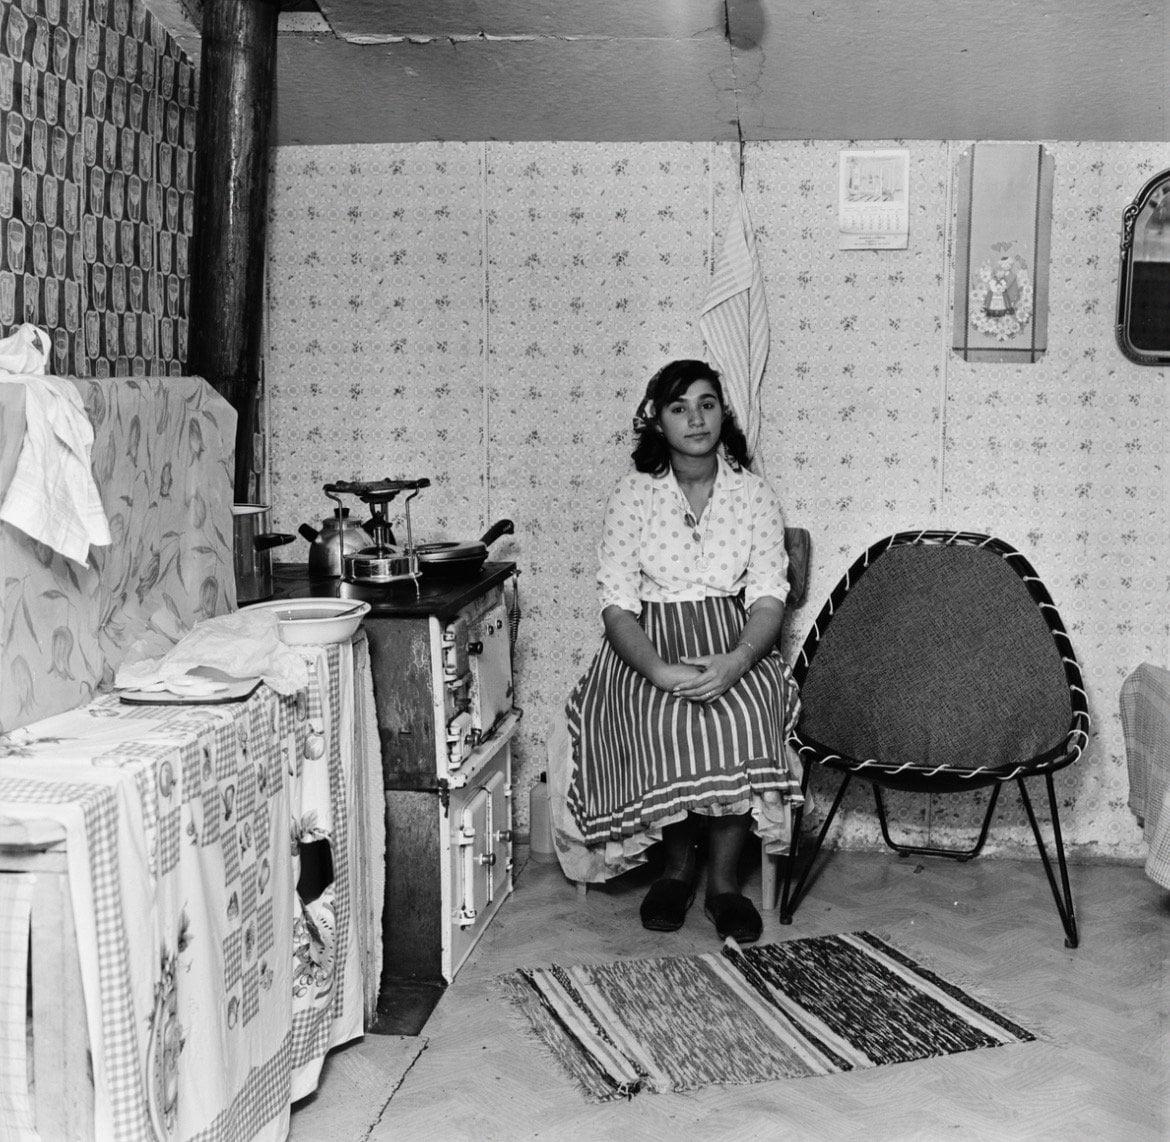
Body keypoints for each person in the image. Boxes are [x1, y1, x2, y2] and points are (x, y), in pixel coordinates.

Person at [566, 358, 801, 944]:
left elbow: (770, 596)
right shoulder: (633, 496)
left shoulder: (754, 496)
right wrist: (659, 670)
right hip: (650, 641)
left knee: (743, 714)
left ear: (724, 411)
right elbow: (617, 605)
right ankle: (675, 871)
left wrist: (737, 662)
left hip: (734, 638)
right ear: (658, 421)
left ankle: (723, 884)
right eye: (679, 407)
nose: (695, 418)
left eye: (706, 403)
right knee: (662, 715)